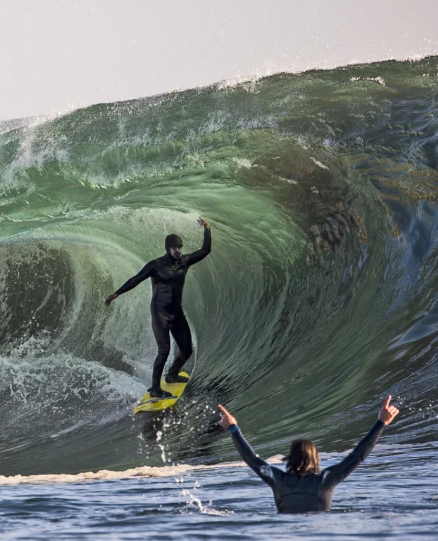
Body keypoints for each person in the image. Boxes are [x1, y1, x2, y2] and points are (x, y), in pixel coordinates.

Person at [216, 396, 400, 513]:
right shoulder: (326, 479)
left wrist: (233, 428)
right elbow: (357, 456)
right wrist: (381, 423)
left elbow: (251, 459)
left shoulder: (278, 479)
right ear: (316, 458)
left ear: (289, 457)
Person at [105, 217, 211, 398]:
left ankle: (171, 375)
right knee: (164, 350)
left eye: (180, 247)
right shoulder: (155, 265)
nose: (178, 250)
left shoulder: (184, 262)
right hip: (160, 312)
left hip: (176, 311)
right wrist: (116, 294)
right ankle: (155, 388)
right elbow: (136, 279)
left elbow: (205, 250)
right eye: (175, 247)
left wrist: (207, 229)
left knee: (186, 349)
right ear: (168, 248)